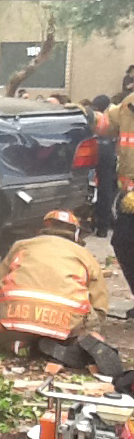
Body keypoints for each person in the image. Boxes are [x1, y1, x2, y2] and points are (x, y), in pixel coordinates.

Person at [0, 210, 115, 371]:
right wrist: (90, 329)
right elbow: (100, 305)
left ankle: (21, 346)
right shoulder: (85, 256)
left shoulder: (22, 246)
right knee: (88, 321)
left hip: (12, 324)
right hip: (64, 329)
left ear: (42, 228)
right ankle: (71, 346)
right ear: (76, 233)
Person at [86, 93, 134, 319]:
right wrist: (85, 115)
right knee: (123, 243)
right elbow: (106, 124)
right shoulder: (128, 106)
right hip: (130, 197)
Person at [91, 94, 117, 237]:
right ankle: (102, 226)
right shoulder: (114, 114)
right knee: (105, 189)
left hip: (95, 147)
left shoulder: (93, 116)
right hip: (108, 150)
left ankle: (94, 221)